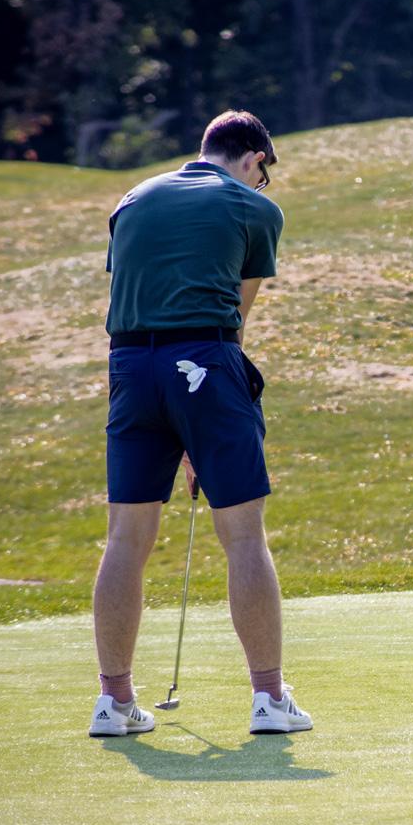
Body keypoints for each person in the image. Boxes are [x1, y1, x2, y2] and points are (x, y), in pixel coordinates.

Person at [89, 110, 312, 737]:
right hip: (206, 361)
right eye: (263, 173)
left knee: (124, 538)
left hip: (129, 369)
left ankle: (113, 703)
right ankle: (269, 699)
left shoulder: (133, 199)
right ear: (255, 158)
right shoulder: (255, 208)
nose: (261, 183)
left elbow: (135, 292)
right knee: (243, 535)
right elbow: (235, 319)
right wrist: (200, 428)